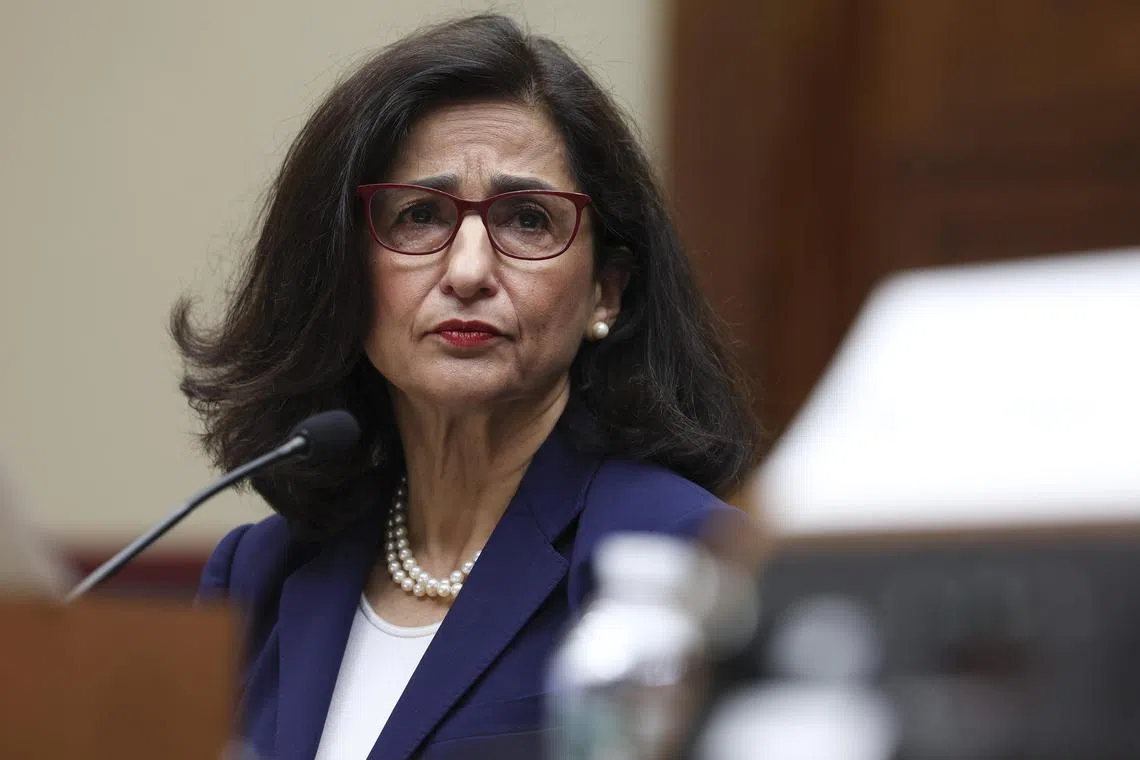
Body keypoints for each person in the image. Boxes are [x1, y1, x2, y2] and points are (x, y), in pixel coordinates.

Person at [178, 13, 760, 760]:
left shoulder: (683, 562)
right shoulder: (260, 575)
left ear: (605, 294)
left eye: (526, 219)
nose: (468, 270)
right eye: (420, 216)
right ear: (344, 277)